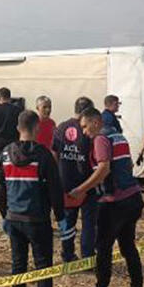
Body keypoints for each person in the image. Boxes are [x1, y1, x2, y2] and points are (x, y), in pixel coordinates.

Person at [69, 107, 144, 287]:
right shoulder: (119, 136)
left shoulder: (101, 139)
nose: (84, 132)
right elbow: (127, 165)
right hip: (133, 198)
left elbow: (104, 168)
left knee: (103, 250)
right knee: (128, 247)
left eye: (85, 127)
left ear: (95, 122)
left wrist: (81, 189)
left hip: (114, 203)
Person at [0, 110, 68, 287]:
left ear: (18, 128)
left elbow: (0, 188)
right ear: (37, 128)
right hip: (37, 220)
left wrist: (3, 214)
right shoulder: (43, 155)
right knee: (43, 266)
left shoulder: (5, 154)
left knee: (17, 264)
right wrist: (61, 217)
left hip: (14, 218)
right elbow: (55, 189)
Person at [52, 96, 97, 263]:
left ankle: (67, 254)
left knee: (68, 221)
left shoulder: (61, 127)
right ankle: (88, 256)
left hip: (65, 181)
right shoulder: (89, 129)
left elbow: (54, 153)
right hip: (87, 182)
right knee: (89, 223)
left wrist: (56, 177)